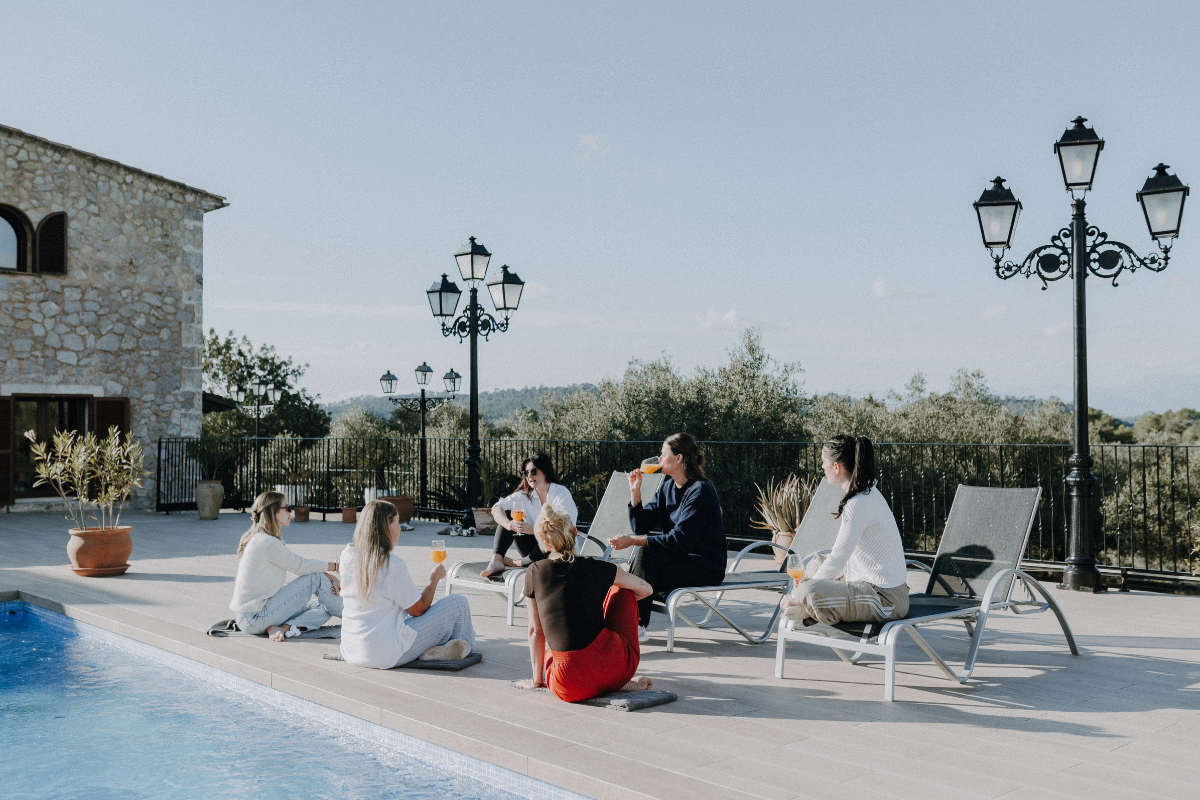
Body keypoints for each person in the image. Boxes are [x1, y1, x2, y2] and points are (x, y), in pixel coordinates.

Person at [515, 504, 655, 701]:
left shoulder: (535, 571)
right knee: (623, 591)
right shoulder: (599, 568)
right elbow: (646, 589)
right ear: (575, 533)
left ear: (545, 543)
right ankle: (615, 683)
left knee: (550, 654)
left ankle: (605, 684)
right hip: (612, 668)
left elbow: (535, 631)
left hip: (567, 686)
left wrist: (536, 680)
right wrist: (611, 604)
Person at [607, 433, 726, 642]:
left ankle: (635, 625)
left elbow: (679, 540)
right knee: (643, 562)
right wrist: (635, 492)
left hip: (705, 566)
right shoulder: (667, 487)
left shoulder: (701, 491)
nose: (659, 459)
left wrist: (632, 540)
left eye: (663, 454)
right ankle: (629, 623)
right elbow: (640, 525)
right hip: (679, 560)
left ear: (679, 458)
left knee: (644, 557)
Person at [779, 434, 910, 625]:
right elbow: (839, 560)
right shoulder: (866, 492)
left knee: (809, 591)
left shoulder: (858, 503)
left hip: (885, 599)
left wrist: (798, 594)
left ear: (837, 466)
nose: (822, 467)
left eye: (824, 462)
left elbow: (838, 558)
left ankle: (804, 604)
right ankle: (806, 605)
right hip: (863, 582)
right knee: (816, 563)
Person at [339, 500, 476, 669]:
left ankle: (444, 648)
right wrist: (434, 579)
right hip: (384, 654)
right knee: (458, 602)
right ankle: (467, 649)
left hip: (351, 650)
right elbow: (419, 609)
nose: (400, 526)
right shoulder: (392, 564)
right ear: (385, 527)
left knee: (402, 614)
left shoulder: (346, 555)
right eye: (397, 521)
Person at [230, 491, 343, 642]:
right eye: (288, 507)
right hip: (254, 617)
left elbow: (299, 566)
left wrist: (329, 576)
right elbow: (301, 566)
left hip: (253, 615)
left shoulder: (262, 538)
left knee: (324, 607)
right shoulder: (267, 542)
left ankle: (284, 627)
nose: (292, 511)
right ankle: (353, 616)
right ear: (275, 512)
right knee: (314, 579)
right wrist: (335, 566)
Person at [480, 453, 578, 578]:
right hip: (533, 550)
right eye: (526, 473)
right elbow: (496, 508)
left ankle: (518, 563)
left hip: (558, 549)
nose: (529, 476)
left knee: (548, 541)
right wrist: (509, 525)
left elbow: (564, 531)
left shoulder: (560, 493)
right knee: (511, 516)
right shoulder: (524, 495)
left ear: (545, 471)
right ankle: (496, 560)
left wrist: (534, 530)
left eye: (534, 471)